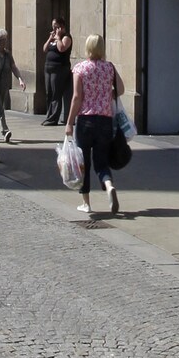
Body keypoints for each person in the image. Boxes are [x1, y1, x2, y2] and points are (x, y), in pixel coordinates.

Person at [65, 33, 123, 218]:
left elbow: (76, 97)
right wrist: (107, 94)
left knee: (84, 164)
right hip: (105, 121)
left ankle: (86, 203)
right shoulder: (109, 68)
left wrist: (69, 122)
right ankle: (109, 186)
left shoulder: (80, 68)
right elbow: (120, 89)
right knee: (101, 162)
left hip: (85, 121)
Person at [0, 28, 24, 144]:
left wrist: (20, 79)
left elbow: (13, 67)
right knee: (0, 109)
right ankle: (5, 130)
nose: (4, 42)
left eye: (5, 40)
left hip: (4, 86)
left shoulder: (7, 54)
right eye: (2, 40)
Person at [41, 20, 73, 126]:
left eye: (56, 27)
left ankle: (54, 118)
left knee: (56, 93)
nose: (54, 29)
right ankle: (49, 116)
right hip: (48, 68)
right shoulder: (53, 38)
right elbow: (45, 49)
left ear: (62, 27)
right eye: (53, 27)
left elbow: (62, 48)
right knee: (49, 92)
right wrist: (50, 38)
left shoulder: (66, 37)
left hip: (59, 68)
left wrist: (58, 37)